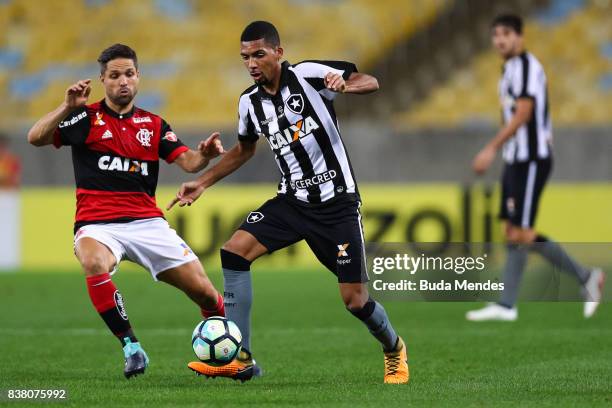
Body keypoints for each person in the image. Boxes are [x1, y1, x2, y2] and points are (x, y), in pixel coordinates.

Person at [168, 21, 408, 384]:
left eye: (259, 54)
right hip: (292, 202)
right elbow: (244, 150)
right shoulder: (249, 103)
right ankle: (241, 358)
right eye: (245, 57)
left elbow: (370, 81)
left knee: (356, 301)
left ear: (278, 53)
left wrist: (345, 84)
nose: (251, 63)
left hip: (337, 205)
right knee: (234, 252)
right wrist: (201, 182)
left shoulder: (308, 75)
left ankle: (394, 349)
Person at [27, 44, 226, 378]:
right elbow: (35, 138)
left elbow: (189, 162)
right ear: (103, 79)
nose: (123, 82)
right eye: (115, 75)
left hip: (147, 223)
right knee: (92, 261)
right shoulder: (84, 118)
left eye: (129, 74)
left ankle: (227, 353)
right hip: (98, 224)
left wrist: (205, 154)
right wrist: (66, 107)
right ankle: (131, 348)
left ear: (138, 78)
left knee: (205, 292)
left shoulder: (154, 124)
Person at [467, 14, 604, 321]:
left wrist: (490, 148)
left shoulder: (528, 67)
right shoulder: (509, 70)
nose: (500, 40)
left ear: (520, 36)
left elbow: (524, 114)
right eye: (496, 35)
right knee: (512, 230)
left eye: (506, 34)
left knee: (523, 232)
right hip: (516, 158)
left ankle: (586, 276)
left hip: (530, 159)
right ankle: (507, 305)